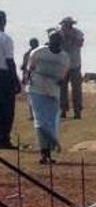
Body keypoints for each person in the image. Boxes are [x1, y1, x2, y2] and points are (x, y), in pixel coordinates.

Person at [27, 30, 70, 164]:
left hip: (53, 92)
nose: (55, 43)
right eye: (53, 40)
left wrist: (61, 83)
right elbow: (29, 69)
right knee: (40, 120)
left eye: (58, 40)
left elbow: (64, 76)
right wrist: (27, 81)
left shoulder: (64, 57)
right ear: (49, 40)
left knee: (51, 121)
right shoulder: (38, 52)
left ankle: (49, 150)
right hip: (37, 89)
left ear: (61, 42)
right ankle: (44, 152)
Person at [0, 11, 21, 149]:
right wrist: (16, 80)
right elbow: (9, 61)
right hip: (3, 75)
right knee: (7, 109)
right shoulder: (5, 39)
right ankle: (4, 139)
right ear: (4, 22)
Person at [57, 16, 84, 120]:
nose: (65, 27)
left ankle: (77, 111)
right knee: (61, 90)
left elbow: (80, 43)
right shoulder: (59, 33)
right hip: (62, 65)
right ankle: (62, 110)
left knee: (76, 89)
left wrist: (70, 36)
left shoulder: (78, 33)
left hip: (75, 64)